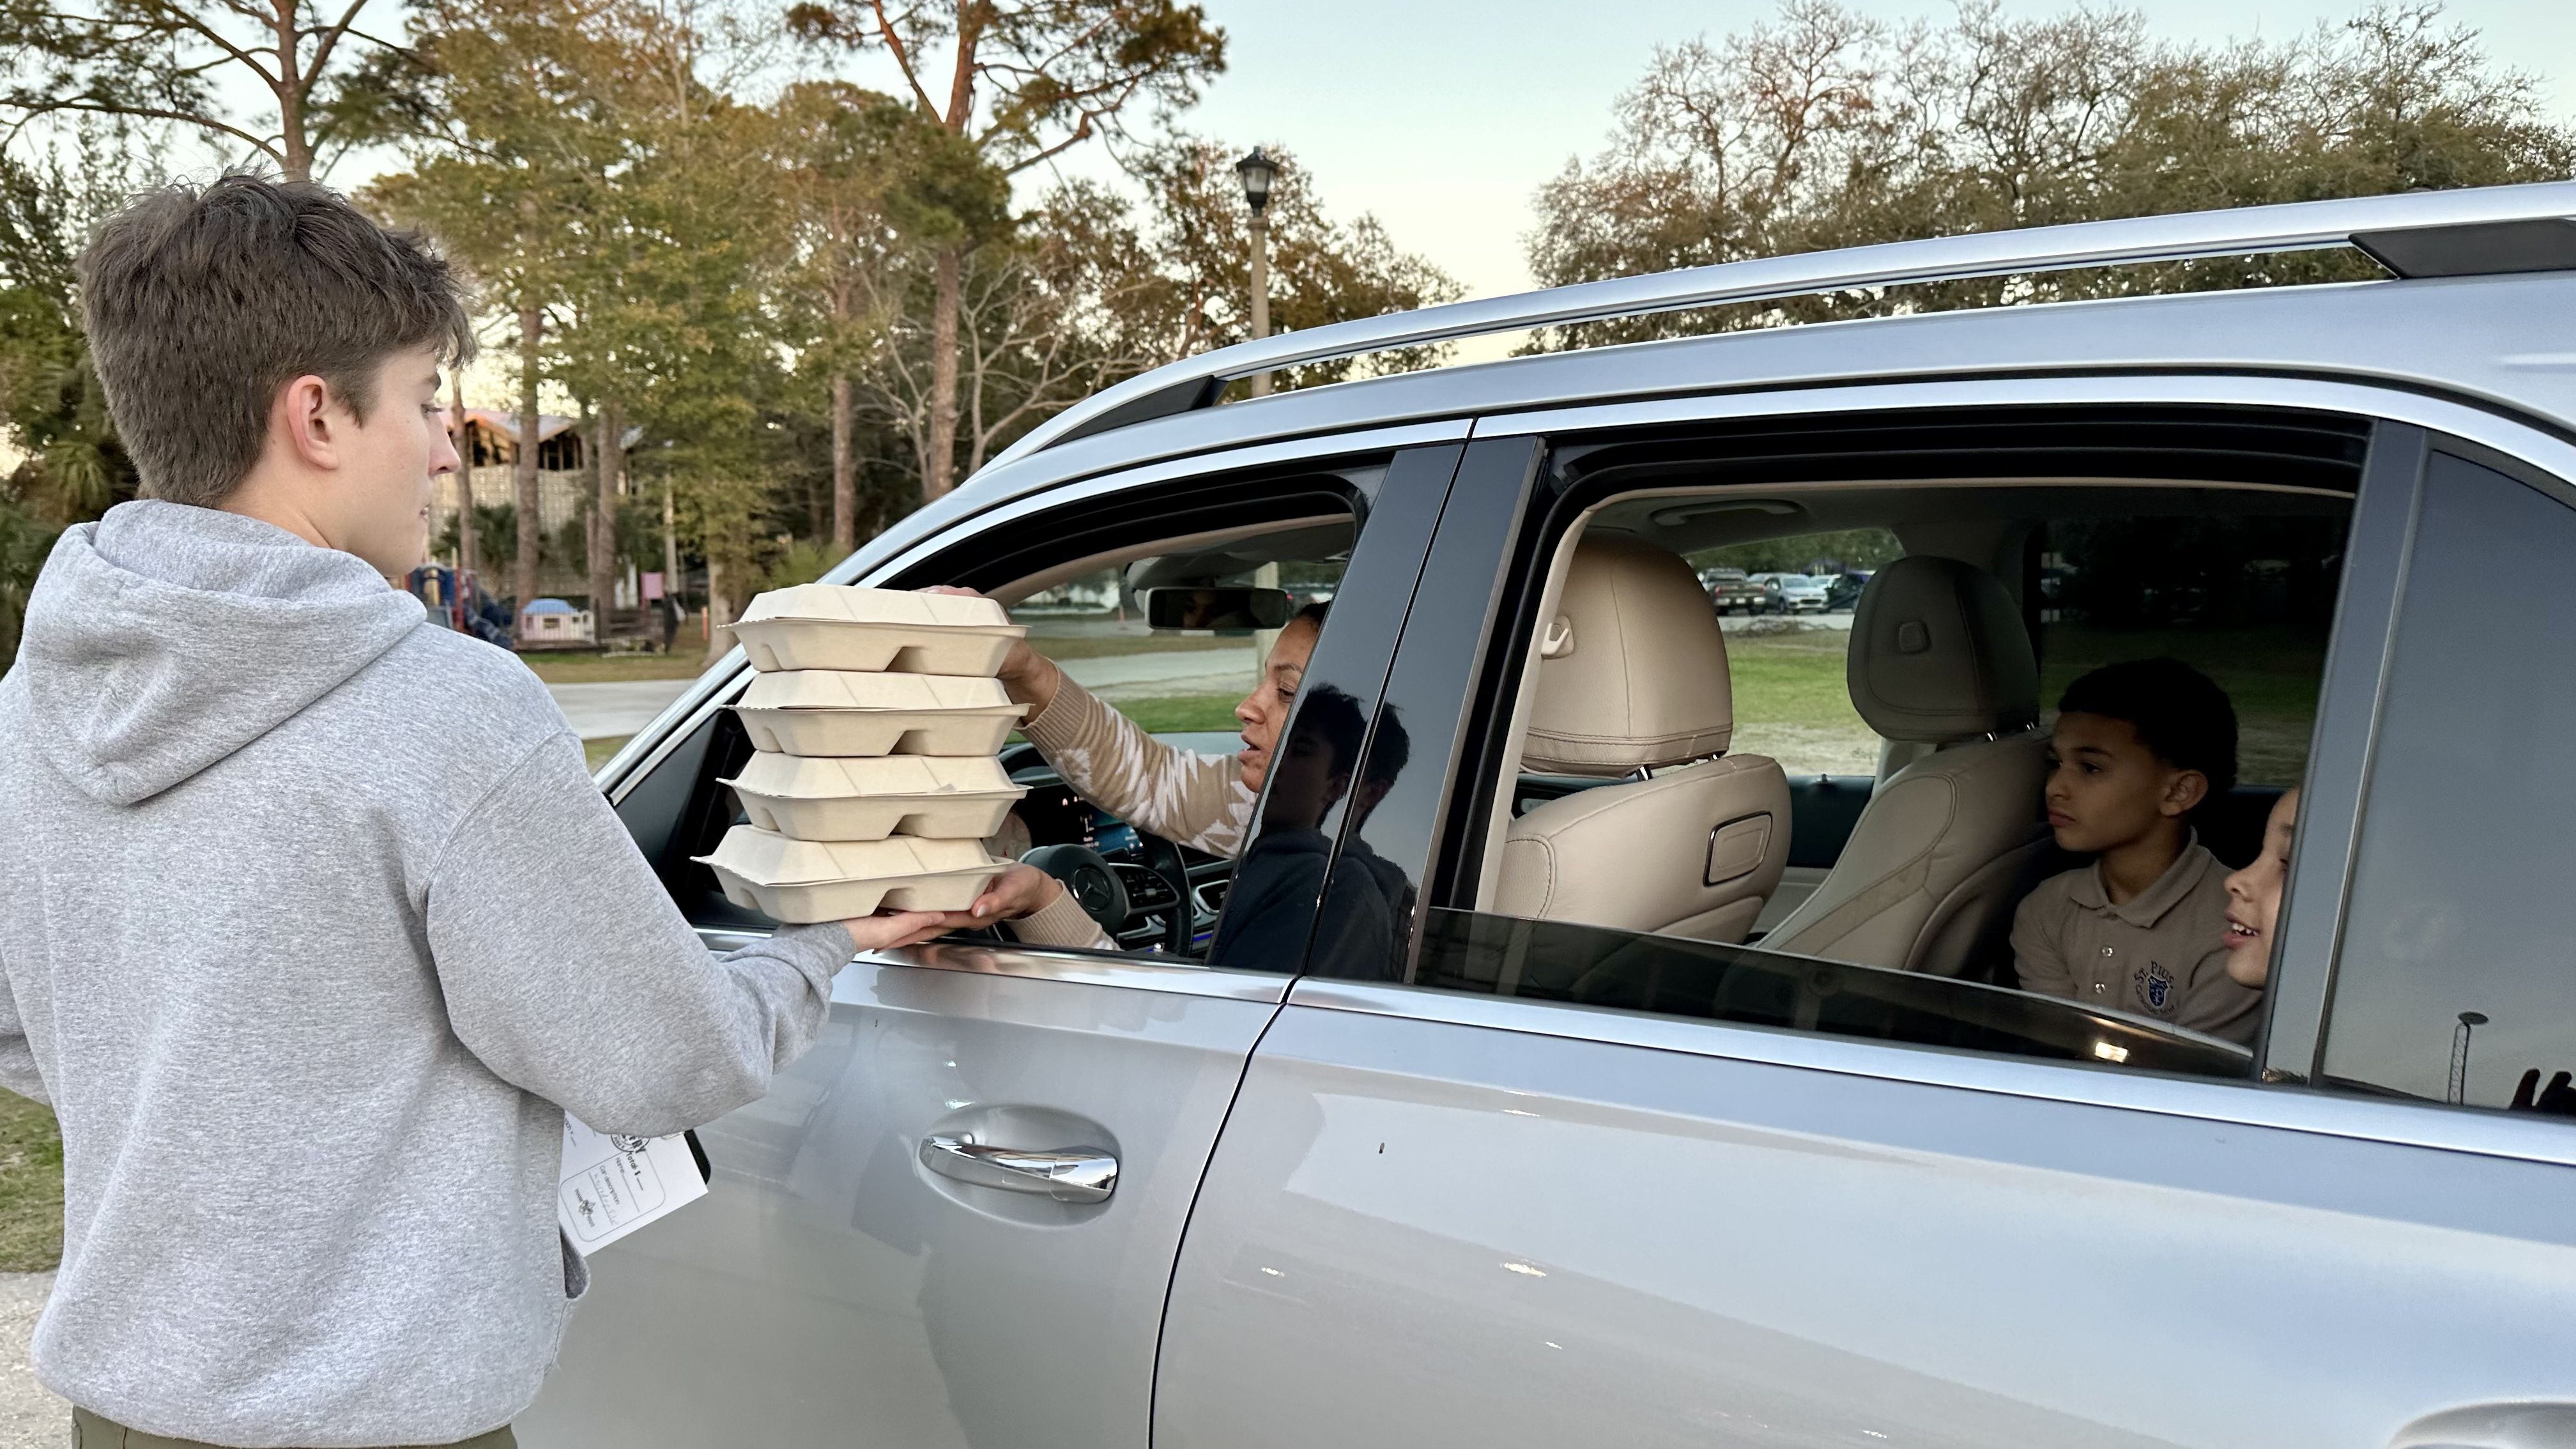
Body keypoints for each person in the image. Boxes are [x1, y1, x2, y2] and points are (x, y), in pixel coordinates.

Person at [0, 176, 947, 1449]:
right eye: (429, 399)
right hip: (379, 1429)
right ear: (318, 416)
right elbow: (667, 1058)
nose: (448, 446)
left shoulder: (29, 706)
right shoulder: (443, 710)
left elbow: (28, 1031)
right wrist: (830, 943)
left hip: (120, 1418)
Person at [924, 591, 1324, 949]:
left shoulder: (1329, 892)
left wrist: (1043, 904)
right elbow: (1153, 779)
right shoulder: (1292, 807)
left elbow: (1185, 1025)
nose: (1247, 708)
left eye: (1287, 691)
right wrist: (1026, 669)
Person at [2011, 658, 2264, 1043]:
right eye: (2055, 764)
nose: (2055, 788)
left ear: (2179, 792)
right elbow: (2057, 1053)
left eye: (2091, 768)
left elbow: (2188, 1081)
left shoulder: (2238, 929)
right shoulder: (2046, 909)